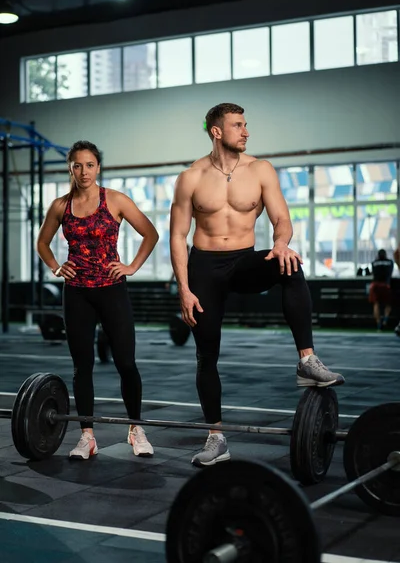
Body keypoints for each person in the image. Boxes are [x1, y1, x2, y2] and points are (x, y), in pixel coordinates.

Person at [169, 103, 345, 468]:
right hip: (205, 267)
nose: (246, 131)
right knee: (206, 355)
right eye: (238, 125)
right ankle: (216, 437)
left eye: (246, 124)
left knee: (290, 264)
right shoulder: (191, 177)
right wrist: (184, 288)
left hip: (244, 261)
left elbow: (282, 218)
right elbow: (177, 235)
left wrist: (281, 243)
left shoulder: (260, 169)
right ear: (217, 131)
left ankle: (306, 361)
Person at [37, 140, 159, 460]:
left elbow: (151, 233)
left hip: (112, 289)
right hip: (76, 292)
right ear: (70, 169)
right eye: (77, 165)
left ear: (98, 167)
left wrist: (131, 266)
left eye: (90, 165)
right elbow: (43, 243)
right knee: (82, 367)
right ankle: (87, 436)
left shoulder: (115, 200)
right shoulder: (60, 206)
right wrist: (55, 266)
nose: (84, 171)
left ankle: (135, 428)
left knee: (126, 363)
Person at [368, 249, 394, 330]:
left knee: (376, 304)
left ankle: (378, 323)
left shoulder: (374, 263)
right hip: (386, 285)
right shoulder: (390, 262)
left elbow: (373, 272)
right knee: (388, 304)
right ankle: (385, 320)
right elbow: (390, 272)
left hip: (376, 285)